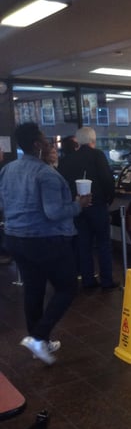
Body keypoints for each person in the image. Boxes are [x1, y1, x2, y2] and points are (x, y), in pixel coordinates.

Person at [0, 123, 92, 364]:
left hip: (15, 238)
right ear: (37, 145)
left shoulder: (7, 170)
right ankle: (39, 337)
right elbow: (53, 213)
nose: (50, 145)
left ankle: (39, 342)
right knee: (67, 287)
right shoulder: (46, 174)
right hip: (45, 240)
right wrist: (78, 205)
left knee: (34, 289)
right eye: (46, 141)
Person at [57, 127, 118, 290]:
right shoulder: (97, 155)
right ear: (93, 140)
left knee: (83, 244)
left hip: (77, 208)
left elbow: (63, 185)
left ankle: (88, 281)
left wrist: (75, 202)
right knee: (103, 243)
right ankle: (106, 280)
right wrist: (108, 200)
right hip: (97, 206)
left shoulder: (67, 160)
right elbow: (107, 180)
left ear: (77, 140)